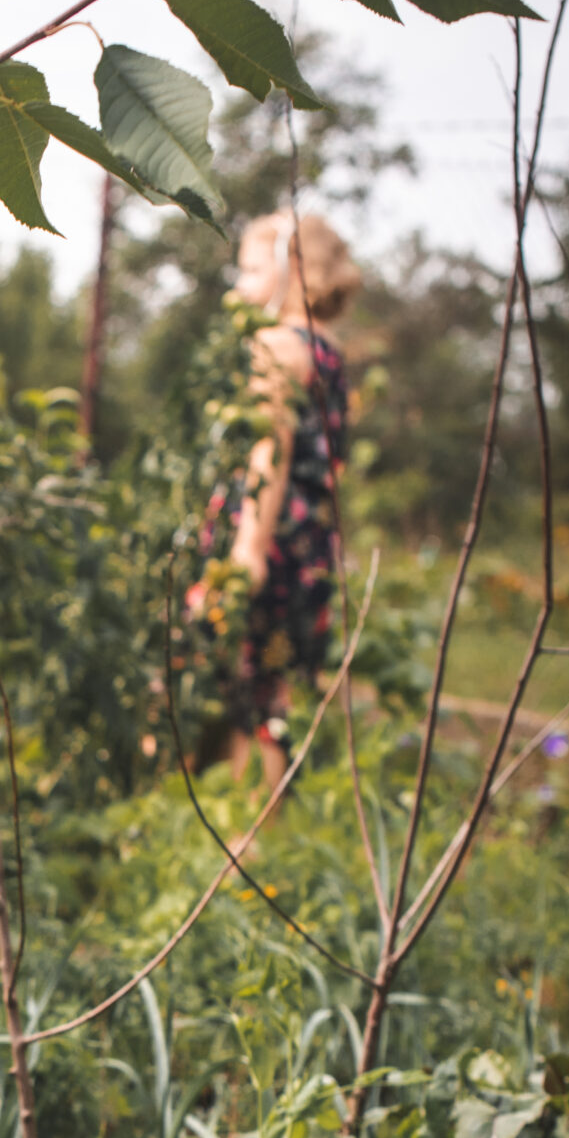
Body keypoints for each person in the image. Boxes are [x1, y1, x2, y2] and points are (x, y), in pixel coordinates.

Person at [196, 211, 360, 795]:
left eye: (250, 269)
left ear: (293, 271)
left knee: (247, 680)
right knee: (281, 681)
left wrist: (249, 548)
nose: (239, 284)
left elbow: (272, 450)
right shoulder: (328, 350)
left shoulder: (276, 346)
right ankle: (269, 813)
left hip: (271, 535)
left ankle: (245, 816)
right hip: (311, 540)